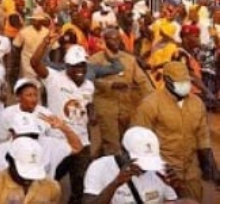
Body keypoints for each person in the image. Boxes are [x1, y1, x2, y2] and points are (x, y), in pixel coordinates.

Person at [132, 62, 218, 201]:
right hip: (163, 173)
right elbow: (138, 141)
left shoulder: (197, 104)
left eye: (186, 81)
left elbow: (203, 138)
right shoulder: (150, 104)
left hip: (191, 171)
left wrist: (212, 169)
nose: (184, 85)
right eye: (179, 82)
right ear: (166, 80)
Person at [30, 43, 94, 204]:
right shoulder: (54, 78)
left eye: (82, 65)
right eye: (74, 66)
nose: (79, 69)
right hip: (58, 141)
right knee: (47, 179)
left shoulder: (89, 86)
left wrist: (92, 115)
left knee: (80, 185)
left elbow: (88, 104)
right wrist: (45, 41)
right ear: (66, 66)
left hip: (82, 142)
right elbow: (35, 63)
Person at [88, 28, 153, 156]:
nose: (115, 41)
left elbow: (142, 81)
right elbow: (90, 81)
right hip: (106, 106)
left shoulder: (129, 59)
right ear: (105, 41)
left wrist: (152, 99)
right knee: (112, 143)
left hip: (127, 106)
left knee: (127, 140)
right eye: (112, 39)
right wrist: (111, 85)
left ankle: (102, 160)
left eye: (117, 38)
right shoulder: (95, 60)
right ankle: (113, 170)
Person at [83, 127, 180, 204]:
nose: (144, 167)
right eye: (140, 161)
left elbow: (172, 201)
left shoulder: (159, 170)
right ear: (122, 151)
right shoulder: (99, 167)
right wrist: (116, 183)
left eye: (149, 161)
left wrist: (175, 187)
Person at [0, 137, 61, 204]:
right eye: (24, 172)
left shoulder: (52, 187)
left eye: (33, 172)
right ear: (9, 160)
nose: (29, 179)